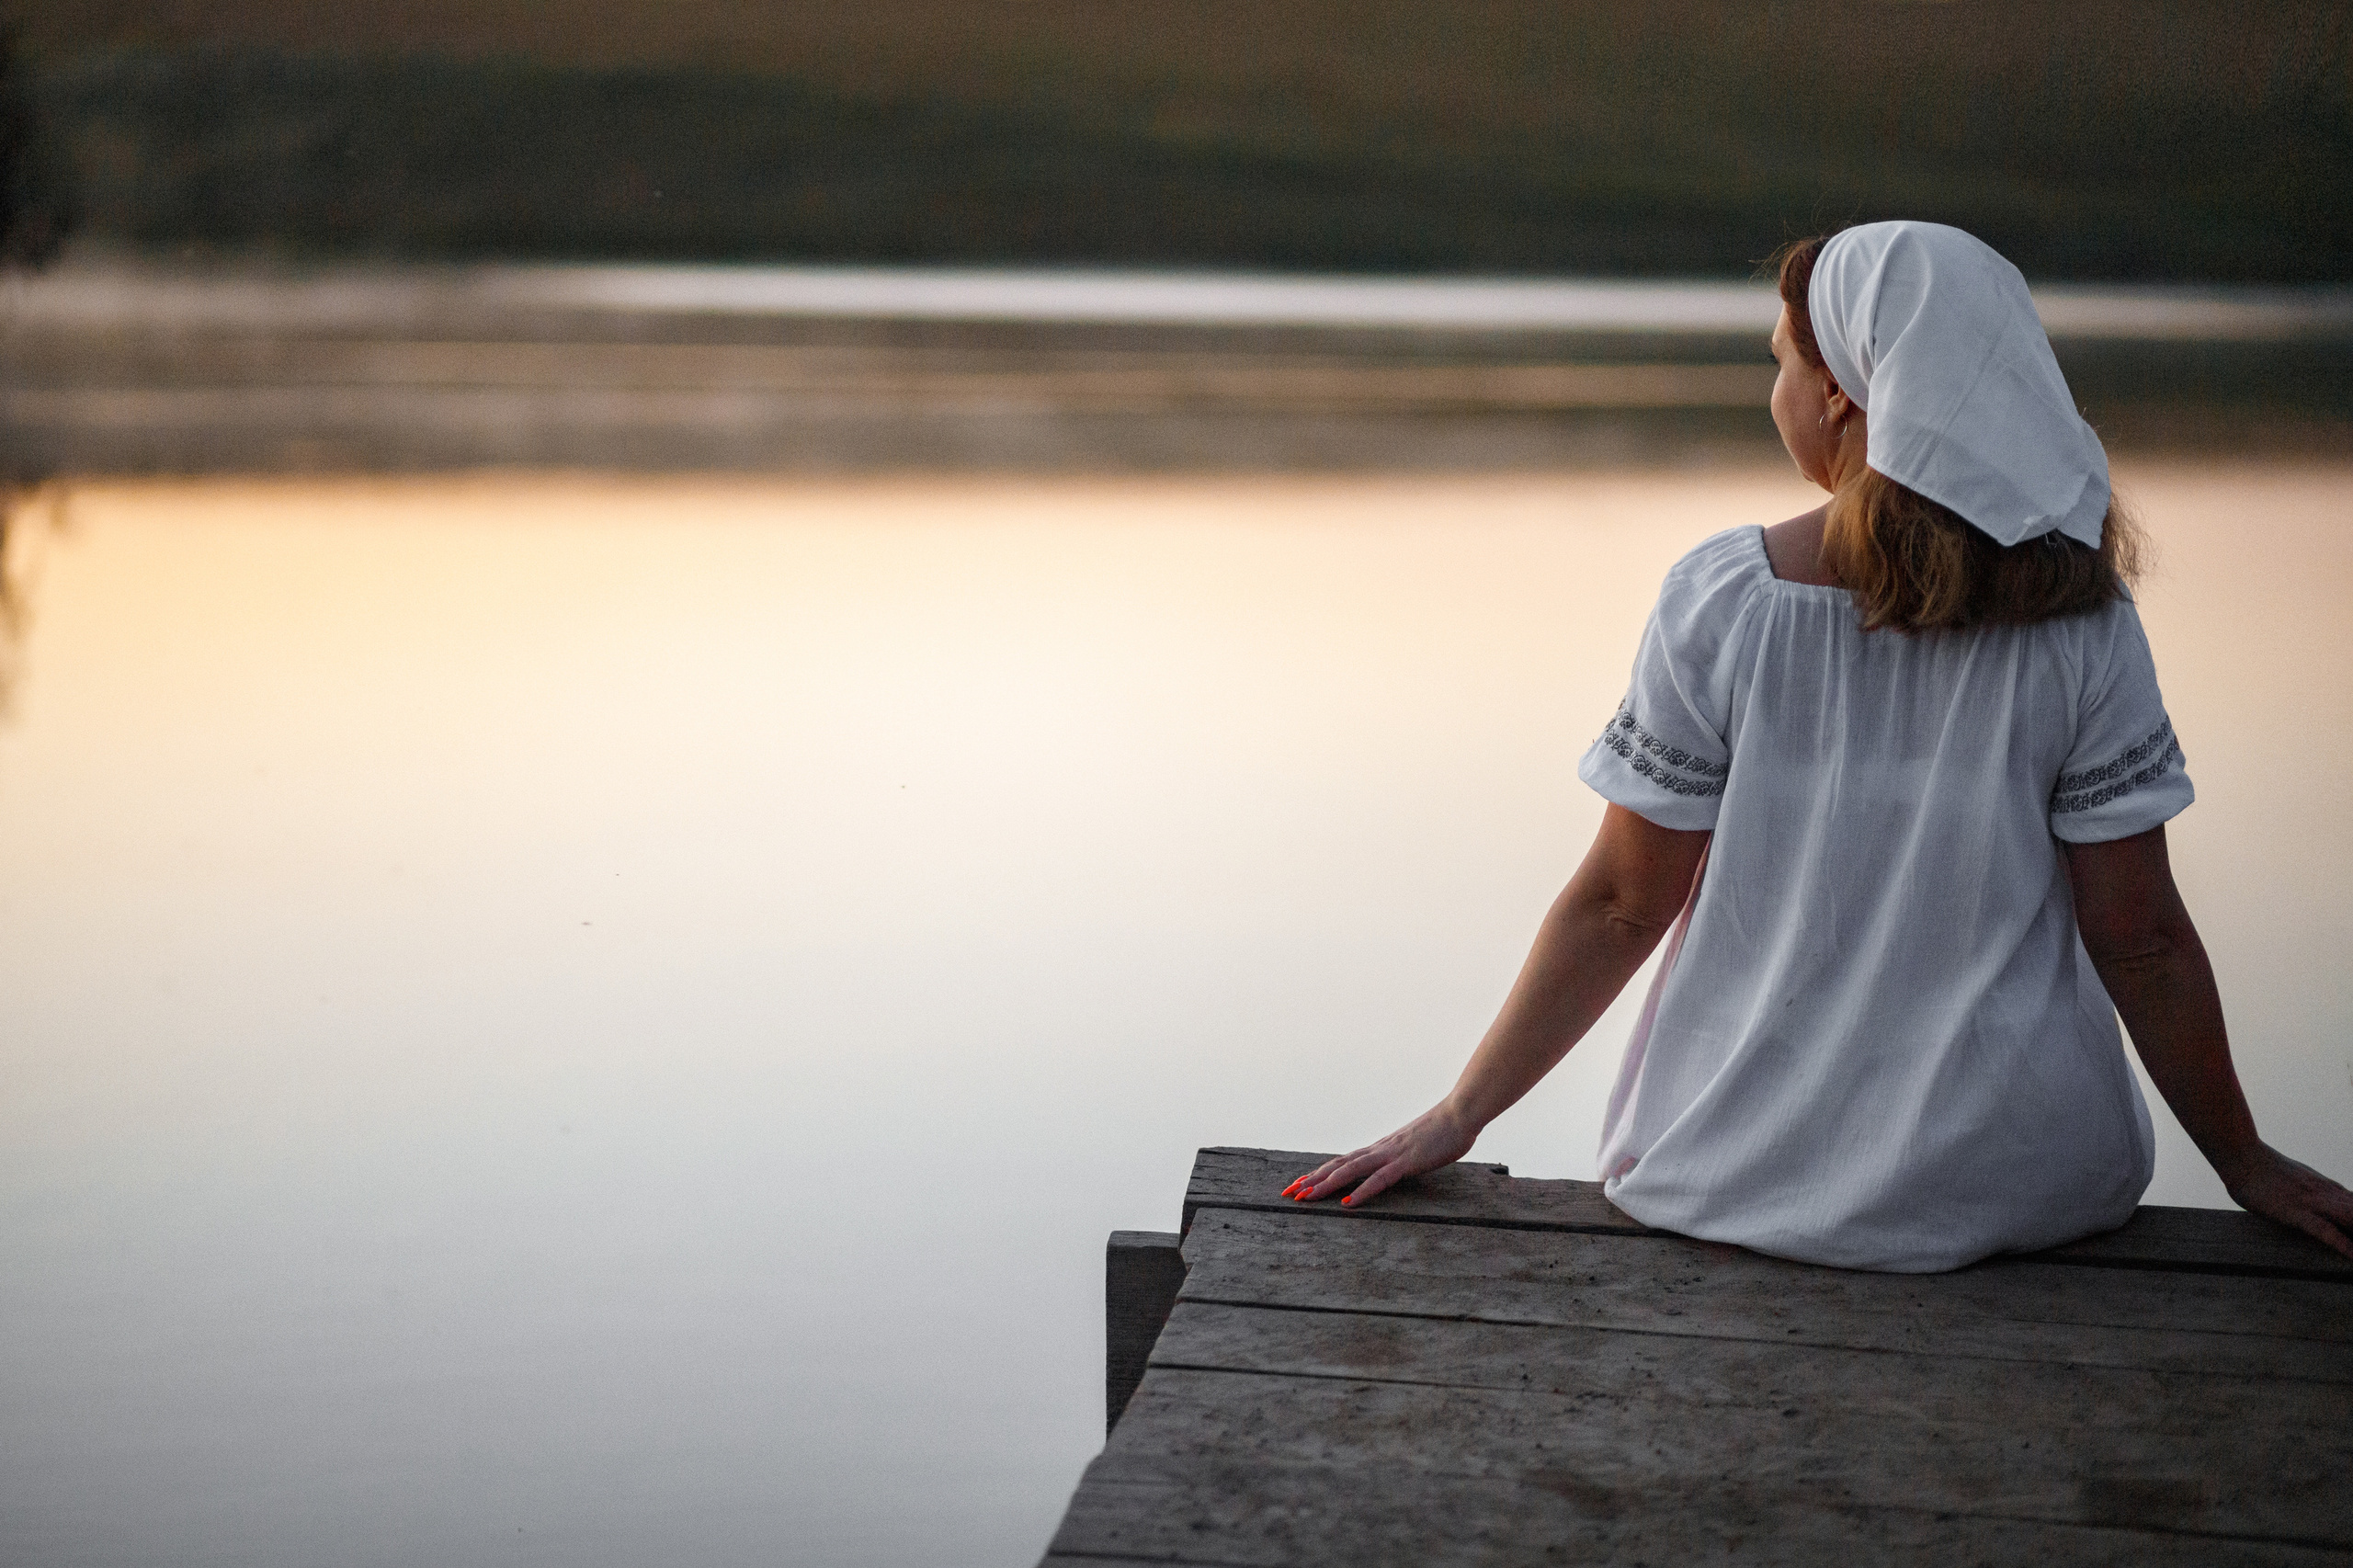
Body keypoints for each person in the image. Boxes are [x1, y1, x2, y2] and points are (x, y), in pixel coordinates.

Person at [1287, 221, 2353, 1270]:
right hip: (2019, 1182)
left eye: (1782, 364)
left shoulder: (1728, 602)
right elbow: (2142, 938)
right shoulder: (2082, 621)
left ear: (1840, 390)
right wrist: (2241, 1158)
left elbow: (1621, 903)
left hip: (1733, 1173)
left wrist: (1459, 1114)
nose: (1778, 394)